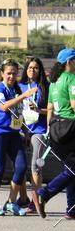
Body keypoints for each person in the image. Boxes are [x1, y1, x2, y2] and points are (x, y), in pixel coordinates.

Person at [0, 59, 37, 216]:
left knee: (21, 167)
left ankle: (11, 202)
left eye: (14, 73)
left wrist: (26, 130)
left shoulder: (15, 89)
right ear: (2, 73)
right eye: (8, 73)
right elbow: (4, 106)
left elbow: (18, 113)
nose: (11, 76)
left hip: (14, 133)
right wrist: (23, 96)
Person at [31, 48, 75, 220]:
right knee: (72, 168)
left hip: (55, 128)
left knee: (70, 168)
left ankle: (71, 209)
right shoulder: (71, 78)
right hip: (70, 127)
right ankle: (44, 193)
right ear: (69, 62)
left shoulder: (55, 82)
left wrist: (50, 131)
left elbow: (49, 108)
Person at [18, 56, 49, 211]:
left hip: (39, 131)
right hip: (22, 130)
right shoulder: (20, 86)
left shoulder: (46, 86)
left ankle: (36, 201)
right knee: (19, 166)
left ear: (40, 70)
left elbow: (52, 110)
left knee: (35, 166)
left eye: (36, 67)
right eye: (30, 67)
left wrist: (39, 110)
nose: (32, 70)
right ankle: (22, 199)